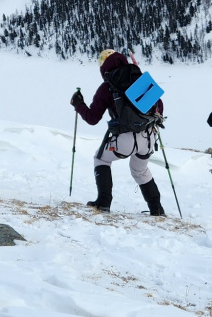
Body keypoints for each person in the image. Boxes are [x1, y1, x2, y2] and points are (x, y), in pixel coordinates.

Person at [70, 49, 165, 216]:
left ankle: (103, 203)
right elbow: (159, 106)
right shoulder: (139, 78)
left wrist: (79, 104)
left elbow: (92, 118)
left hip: (124, 139)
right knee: (140, 171)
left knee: (101, 159)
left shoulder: (108, 86)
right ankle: (157, 209)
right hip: (148, 136)